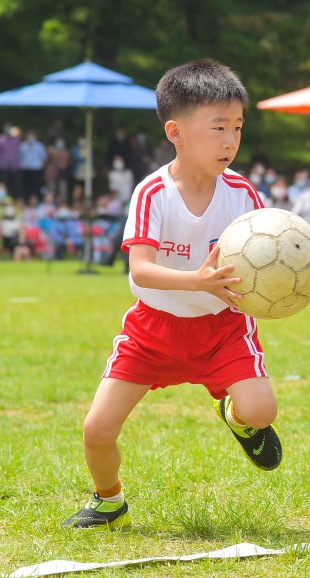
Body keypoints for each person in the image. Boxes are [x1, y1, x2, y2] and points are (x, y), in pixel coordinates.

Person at [62, 60, 287, 530]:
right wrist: (197, 281)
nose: (230, 141)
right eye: (218, 128)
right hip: (153, 331)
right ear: (175, 132)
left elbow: (270, 253)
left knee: (263, 410)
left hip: (223, 327)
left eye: (238, 128)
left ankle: (237, 416)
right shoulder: (152, 194)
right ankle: (109, 501)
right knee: (96, 431)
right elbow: (141, 271)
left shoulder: (244, 193)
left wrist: (300, 272)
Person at [19, 129, 47, 201]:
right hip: (25, 169)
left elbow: (43, 158)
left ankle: (37, 202)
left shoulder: (40, 146)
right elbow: (19, 157)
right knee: (26, 187)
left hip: (36, 170)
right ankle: (26, 202)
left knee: (36, 188)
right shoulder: (22, 146)